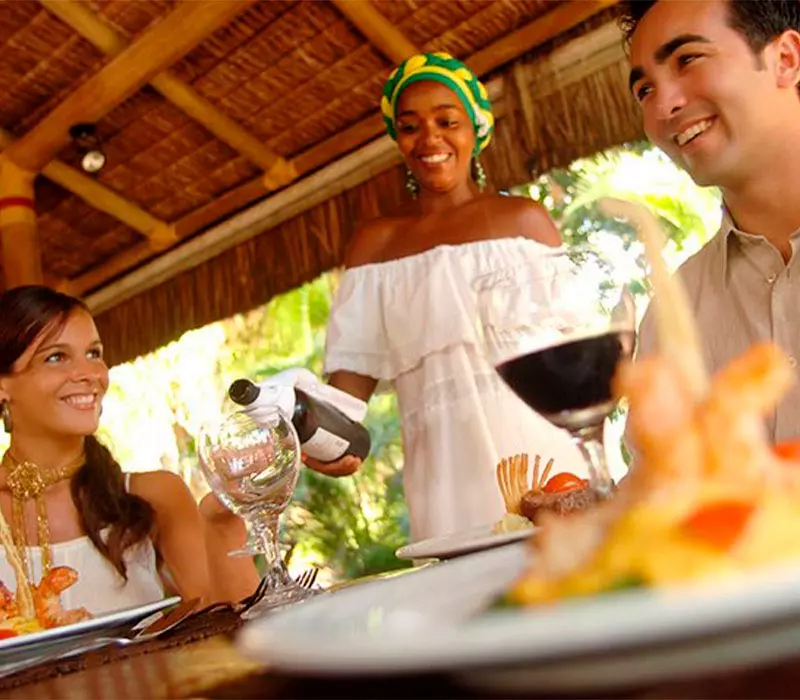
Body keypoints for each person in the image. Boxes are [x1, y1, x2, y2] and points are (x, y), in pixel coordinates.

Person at [305, 52, 585, 541]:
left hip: (548, 458)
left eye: (447, 121)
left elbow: (577, 359)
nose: (429, 138)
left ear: (475, 128)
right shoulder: (376, 246)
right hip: (446, 482)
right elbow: (347, 390)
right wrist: (321, 437)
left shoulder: (525, 221)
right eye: (410, 127)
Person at [0, 285, 259, 617]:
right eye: (56, 357)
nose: (90, 374)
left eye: (94, 353)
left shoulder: (155, 495)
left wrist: (223, 524)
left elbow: (226, 623)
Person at [622, 0, 800, 443]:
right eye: (644, 90)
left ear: (785, 60)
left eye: (687, 60)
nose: (663, 106)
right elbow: (667, 479)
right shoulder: (670, 320)